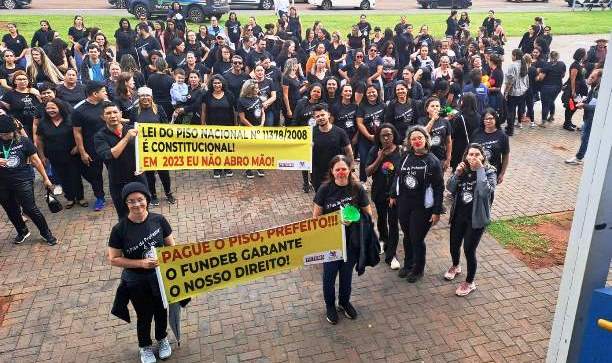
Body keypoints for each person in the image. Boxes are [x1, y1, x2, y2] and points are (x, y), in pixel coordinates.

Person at [107, 182, 175, 363]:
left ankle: (162, 339)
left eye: (140, 200)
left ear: (147, 199)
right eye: (131, 201)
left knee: (161, 311)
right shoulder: (119, 229)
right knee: (144, 315)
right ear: (126, 204)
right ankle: (144, 346)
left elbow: (172, 247)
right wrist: (141, 263)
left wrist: (166, 260)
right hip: (136, 281)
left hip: (160, 278)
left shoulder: (159, 220)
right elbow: (113, 259)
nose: (137, 205)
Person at [313, 155, 371, 324]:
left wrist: (353, 217)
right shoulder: (324, 189)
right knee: (329, 277)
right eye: (337, 169)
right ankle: (330, 306)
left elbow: (368, 213)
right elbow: (316, 217)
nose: (341, 172)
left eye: (344, 169)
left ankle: (344, 303)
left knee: (346, 276)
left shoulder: (357, 189)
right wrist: (336, 220)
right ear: (332, 171)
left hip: (351, 242)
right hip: (330, 242)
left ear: (349, 170)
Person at [389, 125, 443, 283]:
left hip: (422, 206)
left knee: (416, 237)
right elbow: (397, 175)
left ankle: (418, 269)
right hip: (404, 203)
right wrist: (393, 194)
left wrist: (437, 211)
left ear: (426, 140)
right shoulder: (405, 156)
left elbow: (439, 187)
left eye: (420, 138)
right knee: (407, 235)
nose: (417, 141)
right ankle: (408, 264)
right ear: (409, 142)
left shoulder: (432, 161)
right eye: (414, 139)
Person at [445, 143, 496, 296]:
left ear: (482, 157)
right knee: (454, 244)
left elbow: (483, 191)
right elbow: (450, 188)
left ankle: (470, 282)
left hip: (476, 219)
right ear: (466, 156)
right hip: (458, 215)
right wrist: (457, 174)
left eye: (476, 154)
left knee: (469, 250)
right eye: (470, 154)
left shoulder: (489, 172)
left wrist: (479, 169)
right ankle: (455, 266)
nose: (473, 157)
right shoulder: (462, 169)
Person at [0, 115, 58, 246]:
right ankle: (22, 231)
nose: (5, 136)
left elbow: (35, 160)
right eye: (2, 134)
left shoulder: (24, 141)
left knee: (30, 208)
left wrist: (46, 178)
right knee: (11, 210)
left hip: (22, 179)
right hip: (2, 183)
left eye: (7, 133)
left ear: (14, 131)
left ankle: (46, 233)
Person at [94, 102, 147, 219]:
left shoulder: (134, 129)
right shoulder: (100, 136)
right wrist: (127, 138)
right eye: (108, 113)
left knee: (143, 212)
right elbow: (110, 155)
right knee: (124, 216)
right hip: (118, 182)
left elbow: (148, 151)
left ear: (121, 114)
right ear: (103, 117)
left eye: (115, 112)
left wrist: (144, 165)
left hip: (138, 179)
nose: (112, 116)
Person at [36, 99, 86, 209]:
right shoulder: (43, 123)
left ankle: (80, 197)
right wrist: (42, 156)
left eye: (53, 108)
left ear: (60, 108)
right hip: (54, 156)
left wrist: (78, 147)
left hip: (72, 155)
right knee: (63, 178)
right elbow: (39, 140)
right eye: (48, 108)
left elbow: (80, 133)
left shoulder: (70, 119)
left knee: (75, 176)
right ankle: (70, 198)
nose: (50, 110)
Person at [366, 123, 401, 269]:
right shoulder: (375, 150)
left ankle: (391, 254)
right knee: (381, 219)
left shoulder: (401, 151)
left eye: (389, 135)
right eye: (383, 136)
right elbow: (367, 172)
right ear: (378, 137)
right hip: (379, 191)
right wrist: (380, 158)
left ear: (394, 136)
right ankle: (382, 239)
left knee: (393, 222)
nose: (386, 138)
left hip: (395, 194)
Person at [72, 81, 108, 211]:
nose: (106, 93)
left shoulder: (107, 104)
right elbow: (77, 132)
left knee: (116, 171)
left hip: (110, 145)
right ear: (95, 93)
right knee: (95, 175)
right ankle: (100, 197)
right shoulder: (78, 110)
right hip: (92, 148)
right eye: (103, 91)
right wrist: (82, 152)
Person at [311, 103, 353, 193]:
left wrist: (350, 169)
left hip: (337, 172)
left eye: (322, 115)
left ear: (328, 115)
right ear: (314, 118)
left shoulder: (340, 132)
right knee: (320, 200)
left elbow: (349, 152)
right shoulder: (310, 133)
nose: (320, 118)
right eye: (317, 116)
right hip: (318, 174)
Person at [565, 69, 602, 166]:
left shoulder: (600, 91)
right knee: (585, 137)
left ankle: (579, 157)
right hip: (588, 117)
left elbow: (598, 107)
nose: (590, 78)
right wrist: (582, 102)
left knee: (585, 138)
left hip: (592, 118)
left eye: (593, 77)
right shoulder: (594, 87)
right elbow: (589, 100)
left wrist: (584, 105)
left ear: (600, 78)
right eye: (590, 75)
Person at [355, 84, 385, 183]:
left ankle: (376, 180)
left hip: (379, 139)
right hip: (364, 138)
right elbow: (359, 123)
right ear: (365, 94)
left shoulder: (383, 105)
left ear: (377, 92)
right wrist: (368, 136)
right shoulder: (362, 106)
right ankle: (363, 181)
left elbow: (386, 122)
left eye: (373, 92)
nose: (371, 94)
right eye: (369, 92)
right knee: (364, 159)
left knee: (378, 159)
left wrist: (380, 136)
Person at [0, 70, 42, 140]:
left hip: (37, 123)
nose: (22, 81)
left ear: (28, 81)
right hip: (21, 126)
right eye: (19, 79)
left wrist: (37, 94)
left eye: (24, 79)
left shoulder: (34, 91)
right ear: (15, 81)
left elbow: (42, 105)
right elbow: (6, 109)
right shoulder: (9, 95)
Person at [472, 108, 510, 185]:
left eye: (491, 118)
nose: (488, 121)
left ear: (495, 119)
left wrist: (502, 173)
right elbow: (469, 151)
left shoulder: (502, 136)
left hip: (493, 172)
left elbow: (505, 156)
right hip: (476, 170)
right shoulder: (476, 133)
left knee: (488, 194)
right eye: (486, 119)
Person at [450, 93, 480, 172]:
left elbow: (453, 135)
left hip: (460, 148)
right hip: (474, 147)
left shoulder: (460, 117)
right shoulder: (479, 117)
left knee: (458, 171)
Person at [421, 97, 452, 172]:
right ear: (427, 109)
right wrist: (433, 119)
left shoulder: (445, 121)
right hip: (425, 156)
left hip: (440, 157)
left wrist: (448, 159)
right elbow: (423, 133)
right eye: (432, 106)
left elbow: (448, 141)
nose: (435, 108)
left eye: (437, 106)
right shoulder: (421, 120)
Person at [504, 49, 529, 136]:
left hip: (513, 92)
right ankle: (513, 125)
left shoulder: (513, 66)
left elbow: (510, 81)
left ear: (514, 55)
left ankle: (510, 130)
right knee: (519, 108)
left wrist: (506, 92)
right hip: (522, 91)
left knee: (511, 111)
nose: (511, 57)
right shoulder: (524, 64)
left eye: (512, 55)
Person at [562, 48, 588, 132]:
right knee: (571, 106)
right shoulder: (575, 65)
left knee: (575, 106)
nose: (586, 55)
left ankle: (569, 121)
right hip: (574, 90)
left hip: (578, 90)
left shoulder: (579, 64)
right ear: (581, 55)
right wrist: (573, 91)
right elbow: (572, 79)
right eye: (585, 54)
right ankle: (566, 124)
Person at [539, 51, 566, 126]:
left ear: (550, 57)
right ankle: (551, 116)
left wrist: (537, 76)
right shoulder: (562, 64)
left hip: (547, 87)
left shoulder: (547, 65)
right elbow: (563, 75)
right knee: (551, 100)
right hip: (557, 87)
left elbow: (541, 77)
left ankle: (543, 121)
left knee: (545, 104)